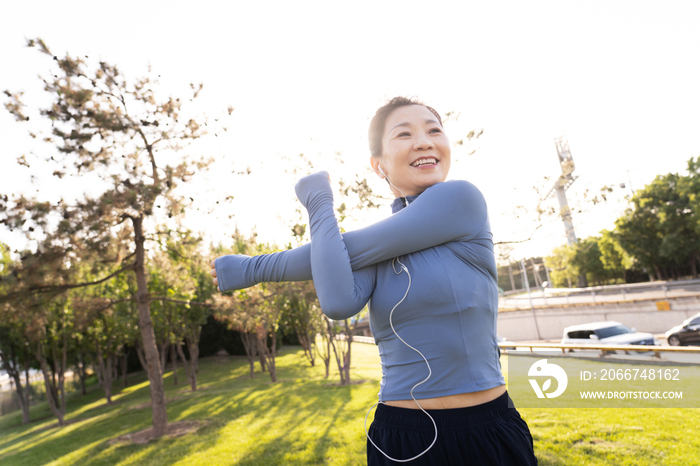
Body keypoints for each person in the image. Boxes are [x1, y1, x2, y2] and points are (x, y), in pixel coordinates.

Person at [211, 96, 537, 465]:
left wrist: (254, 266)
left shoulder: (462, 199)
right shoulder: (381, 249)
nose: (424, 141)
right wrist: (321, 213)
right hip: (402, 439)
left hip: (487, 430)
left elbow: (341, 248)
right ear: (378, 164)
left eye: (434, 130)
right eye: (404, 134)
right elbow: (337, 302)